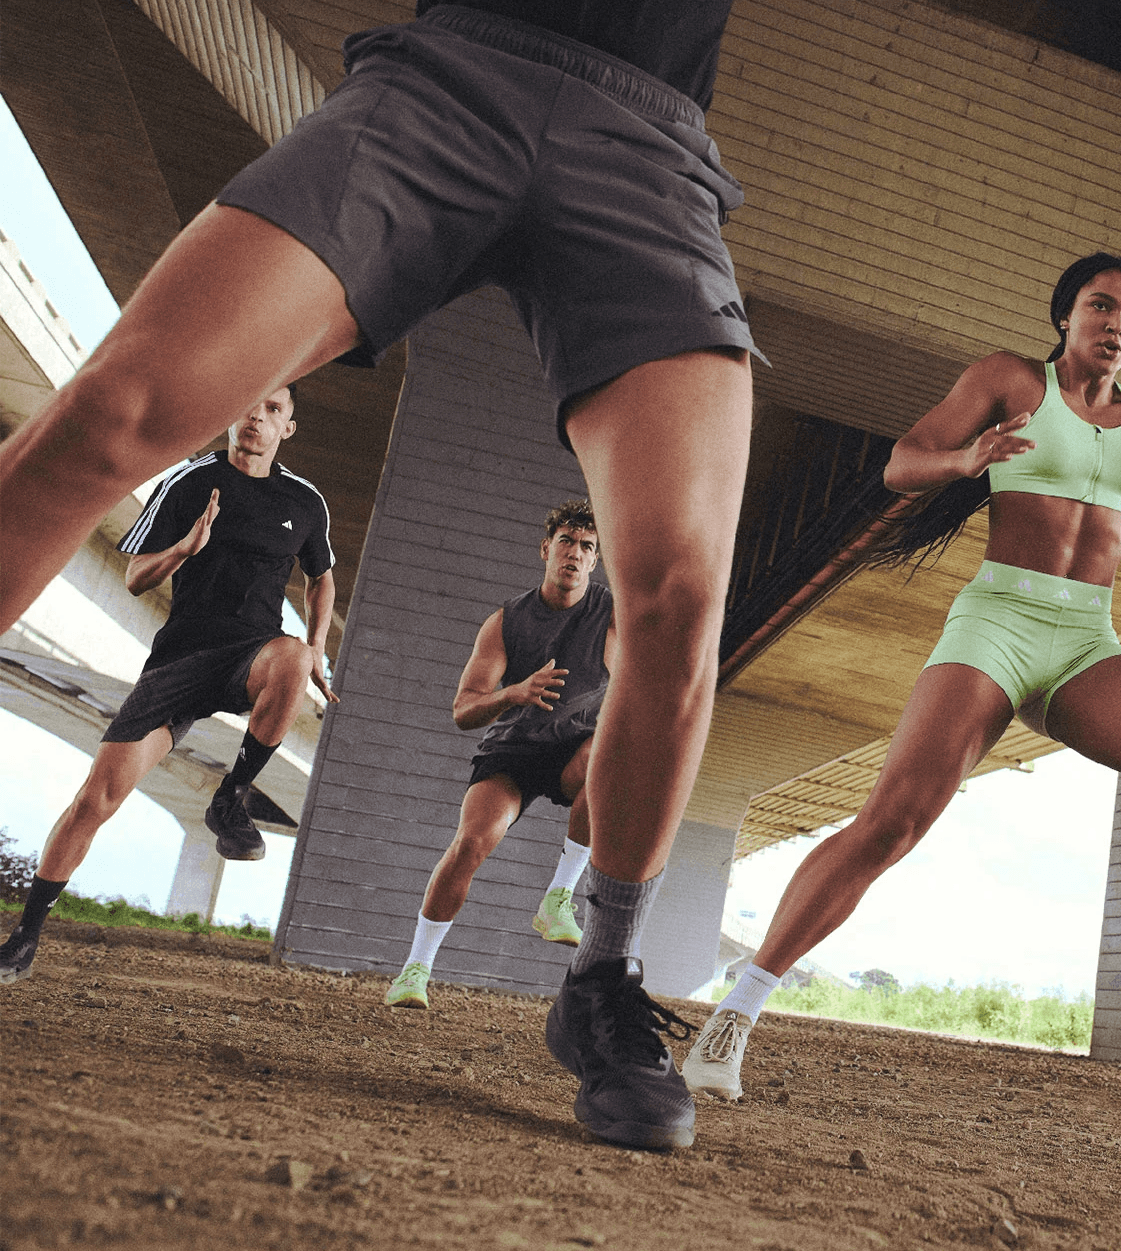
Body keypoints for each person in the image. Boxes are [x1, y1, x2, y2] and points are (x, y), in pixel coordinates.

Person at [0, 2, 759, 1151]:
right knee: (112, 415)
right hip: (447, 79)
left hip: (645, 146)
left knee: (681, 595)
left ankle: (601, 979)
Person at [682, 253, 1121, 1101]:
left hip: (1085, 637)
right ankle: (738, 1009)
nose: (1117, 326)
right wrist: (967, 459)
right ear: (1065, 315)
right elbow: (902, 461)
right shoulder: (1010, 380)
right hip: (999, 622)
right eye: (1101, 307)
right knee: (891, 823)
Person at [0, 385, 336, 983]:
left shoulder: (306, 502)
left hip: (250, 654)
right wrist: (184, 548)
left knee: (291, 658)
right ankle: (25, 935)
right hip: (179, 660)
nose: (255, 416)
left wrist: (317, 644)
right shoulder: (186, 483)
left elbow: (321, 578)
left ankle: (231, 796)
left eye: (272, 410)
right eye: (248, 404)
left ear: (288, 427)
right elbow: (133, 577)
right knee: (94, 800)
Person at [383, 499, 611, 1010]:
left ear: (595, 561)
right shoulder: (506, 621)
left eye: (587, 547)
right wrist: (514, 693)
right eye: (566, 543)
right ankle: (415, 970)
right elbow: (463, 710)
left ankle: (558, 898)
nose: (574, 554)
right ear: (546, 550)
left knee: (611, 758)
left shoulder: (609, 613)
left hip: (577, 747)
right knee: (472, 842)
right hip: (515, 749)